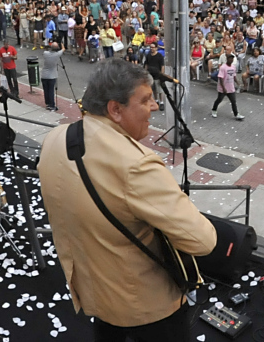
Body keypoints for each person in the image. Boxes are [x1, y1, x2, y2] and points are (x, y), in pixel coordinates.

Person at [37, 59, 217, 342]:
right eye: (145, 100)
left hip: (95, 296)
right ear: (115, 109)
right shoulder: (136, 165)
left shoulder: (54, 139)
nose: (155, 107)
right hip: (145, 309)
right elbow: (203, 241)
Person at [211, 53, 245, 120]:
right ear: (227, 59)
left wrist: (238, 83)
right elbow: (220, 78)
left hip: (231, 87)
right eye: (230, 58)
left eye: (232, 58)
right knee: (219, 100)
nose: (231, 60)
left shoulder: (233, 67)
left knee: (233, 101)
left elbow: (234, 76)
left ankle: (236, 114)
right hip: (223, 88)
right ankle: (214, 110)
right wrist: (223, 88)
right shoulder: (223, 67)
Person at [41, 42, 63, 111]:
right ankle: (52, 105)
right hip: (52, 76)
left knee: (46, 90)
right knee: (51, 91)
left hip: (44, 75)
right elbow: (63, 49)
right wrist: (61, 43)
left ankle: (47, 103)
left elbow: (45, 49)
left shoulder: (45, 53)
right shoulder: (57, 54)